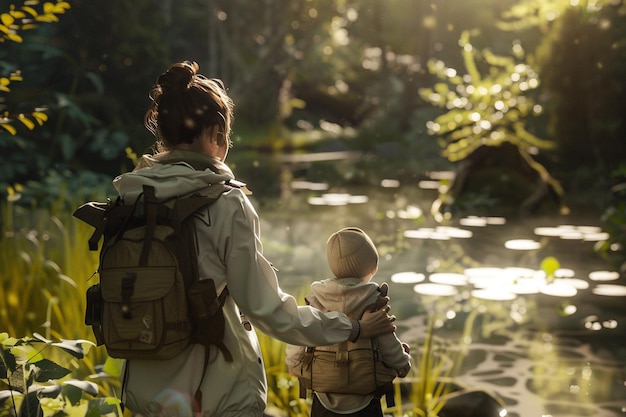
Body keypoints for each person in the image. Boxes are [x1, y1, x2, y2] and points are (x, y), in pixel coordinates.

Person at [111, 61, 396, 417]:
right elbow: (268, 310)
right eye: (227, 134)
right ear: (215, 133)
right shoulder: (225, 202)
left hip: (145, 390)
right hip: (215, 394)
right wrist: (351, 327)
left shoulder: (131, 198)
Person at [286, 227, 411, 417]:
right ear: (373, 268)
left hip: (322, 399)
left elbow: (301, 336)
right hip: (366, 401)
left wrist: (293, 364)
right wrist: (403, 364)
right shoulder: (374, 304)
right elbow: (389, 347)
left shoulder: (316, 301)